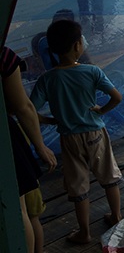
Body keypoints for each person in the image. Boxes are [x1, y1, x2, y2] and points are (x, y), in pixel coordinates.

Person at [30, 19, 123, 245]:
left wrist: (49, 120)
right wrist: (101, 110)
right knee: (109, 177)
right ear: (77, 46)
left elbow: (29, 109)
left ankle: (84, 232)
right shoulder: (92, 71)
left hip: (69, 138)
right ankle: (116, 216)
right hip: (96, 134)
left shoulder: (48, 79)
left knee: (78, 186)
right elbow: (117, 97)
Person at [3, 44, 57, 253]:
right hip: (6, 142)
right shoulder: (4, 56)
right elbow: (23, 106)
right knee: (19, 210)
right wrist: (40, 146)